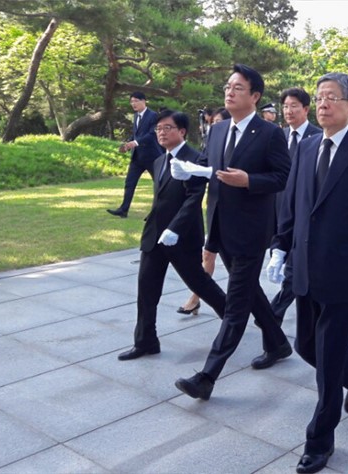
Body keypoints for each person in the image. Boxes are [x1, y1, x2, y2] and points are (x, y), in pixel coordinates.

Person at [268, 72, 348, 474]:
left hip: (343, 272)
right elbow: (293, 204)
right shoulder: (306, 147)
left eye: (332, 98)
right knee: (307, 346)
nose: (323, 104)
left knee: (327, 364)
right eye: (320, 97)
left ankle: (319, 441)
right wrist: (280, 246)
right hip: (305, 269)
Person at [173, 64, 292, 401]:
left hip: (252, 230)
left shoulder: (269, 133)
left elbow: (282, 176)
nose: (229, 92)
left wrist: (249, 180)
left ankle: (207, 376)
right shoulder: (218, 130)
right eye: (228, 86)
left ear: (255, 96)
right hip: (220, 226)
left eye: (238, 87)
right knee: (249, 289)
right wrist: (188, 171)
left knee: (237, 302)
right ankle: (278, 343)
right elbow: (209, 168)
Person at [117, 110, 228, 360]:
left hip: (182, 237)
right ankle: (146, 342)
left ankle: (233, 321)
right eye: (158, 129)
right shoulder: (159, 161)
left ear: (182, 131)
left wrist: (174, 229)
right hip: (154, 237)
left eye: (167, 128)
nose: (161, 133)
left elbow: (193, 199)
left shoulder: (195, 160)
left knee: (200, 284)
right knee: (146, 290)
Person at [270, 87, 321, 325]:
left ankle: (273, 313)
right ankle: (274, 313)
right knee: (293, 265)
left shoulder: (318, 137)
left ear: (306, 109)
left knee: (295, 265)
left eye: (294, 106)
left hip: (306, 212)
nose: (288, 111)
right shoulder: (278, 136)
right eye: (285, 106)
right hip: (280, 209)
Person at [178, 107, 231, 315]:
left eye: (219, 122)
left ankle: (253, 307)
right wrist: (188, 172)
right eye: (213, 122)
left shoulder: (236, 143)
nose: (214, 126)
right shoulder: (211, 141)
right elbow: (202, 165)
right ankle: (196, 297)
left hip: (234, 212)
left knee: (238, 270)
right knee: (208, 254)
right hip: (214, 207)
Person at [107, 91, 163, 218]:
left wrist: (135, 142)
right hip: (137, 156)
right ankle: (123, 210)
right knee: (129, 183)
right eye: (131, 101)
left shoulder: (153, 116)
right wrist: (128, 144)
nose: (133, 104)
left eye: (136, 101)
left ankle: (156, 212)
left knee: (159, 184)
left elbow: (152, 134)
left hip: (152, 156)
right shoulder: (136, 116)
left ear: (144, 101)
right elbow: (136, 134)